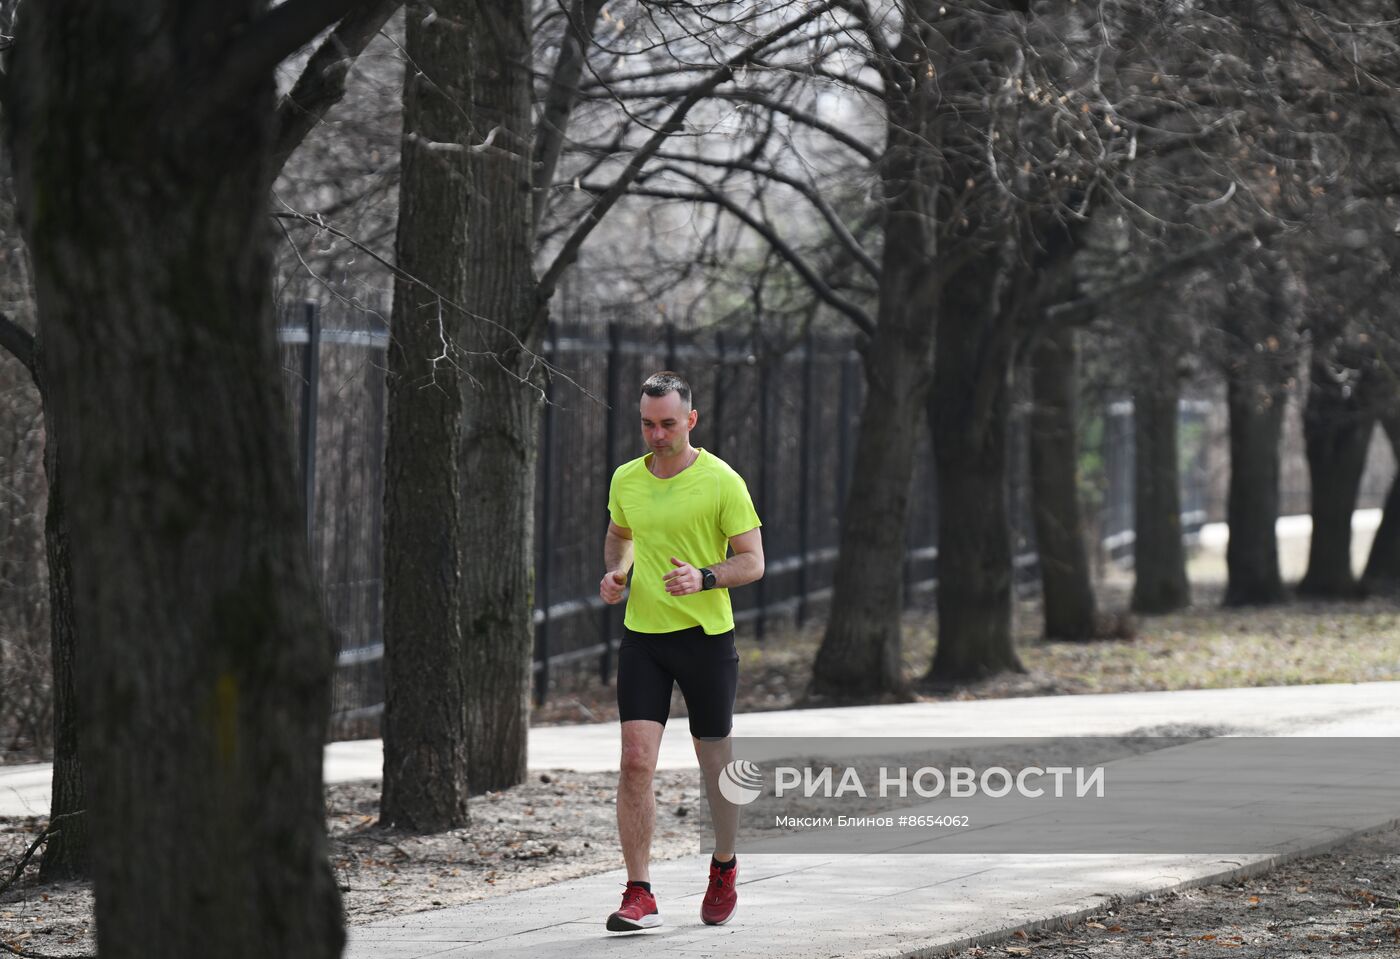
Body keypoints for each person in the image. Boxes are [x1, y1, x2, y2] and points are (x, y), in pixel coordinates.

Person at [598, 370, 764, 932]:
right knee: (635, 761)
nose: (657, 434)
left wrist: (706, 576)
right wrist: (617, 574)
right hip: (643, 638)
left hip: (705, 640)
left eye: (668, 423)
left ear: (691, 420)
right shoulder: (626, 478)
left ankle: (723, 865)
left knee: (714, 763)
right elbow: (621, 537)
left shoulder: (721, 481)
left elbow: (753, 560)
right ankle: (638, 890)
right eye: (648, 423)